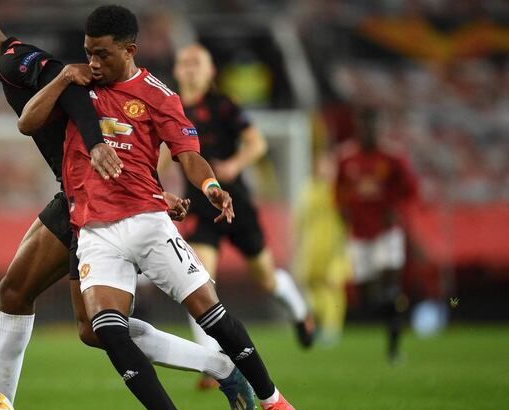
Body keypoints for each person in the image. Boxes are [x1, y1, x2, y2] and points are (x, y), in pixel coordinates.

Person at [0, 11, 254, 410]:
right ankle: (219, 367)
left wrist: (98, 143)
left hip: (85, 199)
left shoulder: (14, 60)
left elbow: (77, 92)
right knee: (88, 326)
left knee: (19, 294)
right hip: (81, 193)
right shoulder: (14, 66)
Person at [19, 6, 312, 410]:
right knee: (107, 329)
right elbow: (28, 122)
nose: (93, 63)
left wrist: (210, 184)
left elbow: (187, 154)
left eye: (102, 54)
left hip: (148, 221)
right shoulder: (78, 85)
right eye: (87, 53)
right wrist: (62, 77)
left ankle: (275, 401)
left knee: (214, 317)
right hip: (95, 229)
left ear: (129, 50)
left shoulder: (158, 95)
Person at [168, 44, 316, 389]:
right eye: (184, 63)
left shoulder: (224, 105)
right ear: (176, 71)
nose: (189, 69)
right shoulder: (170, 109)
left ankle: (299, 311)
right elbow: (162, 155)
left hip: (235, 204)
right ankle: (213, 364)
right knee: (197, 280)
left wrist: (233, 165)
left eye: (196, 63)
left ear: (210, 72)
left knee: (265, 279)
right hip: (199, 208)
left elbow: (257, 143)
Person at [334, 107, 419, 362]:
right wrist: (342, 209)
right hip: (359, 233)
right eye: (363, 126)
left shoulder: (392, 157)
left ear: (378, 128)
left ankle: (394, 344)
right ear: (358, 128)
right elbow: (338, 190)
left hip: (386, 232)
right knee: (366, 295)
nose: (367, 131)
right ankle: (397, 315)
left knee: (390, 284)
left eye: (371, 126)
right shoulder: (347, 158)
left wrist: (396, 210)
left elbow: (410, 189)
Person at [295, 150, 350, 346]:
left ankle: (332, 328)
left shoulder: (339, 190)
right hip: (311, 249)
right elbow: (299, 222)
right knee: (313, 289)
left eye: (327, 165)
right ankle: (318, 325)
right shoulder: (308, 189)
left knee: (333, 285)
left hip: (334, 247)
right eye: (320, 165)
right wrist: (297, 248)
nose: (323, 169)